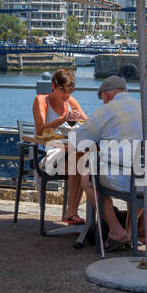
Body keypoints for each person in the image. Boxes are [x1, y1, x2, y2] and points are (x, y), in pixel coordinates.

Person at [74, 75, 147, 250]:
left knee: (88, 178)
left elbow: (78, 139)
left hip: (134, 180)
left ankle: (117, 232)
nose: (103, 102)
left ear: (107, 96)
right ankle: (130, 232)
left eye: (103, 99)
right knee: (138, 174)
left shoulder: (108, 110)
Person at [32, 68, 86, 225]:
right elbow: (40, 130)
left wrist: (81, 121)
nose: (66, 95)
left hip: (69, 152)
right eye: (62, 90)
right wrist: (63, 119)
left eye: (70, 91)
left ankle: (72, 212)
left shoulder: (71, 102)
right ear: (53, 86)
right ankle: (71, 212)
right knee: (81, 162)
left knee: (85, 163)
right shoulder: (41, 101)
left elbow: (86, 123)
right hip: (48, 153)